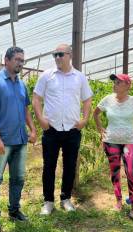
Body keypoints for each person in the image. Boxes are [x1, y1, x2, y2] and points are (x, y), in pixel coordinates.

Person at [32, 44, 93, 215]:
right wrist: (41, 119)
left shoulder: (80, 77)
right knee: (49, 166)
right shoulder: (47, 76)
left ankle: (66, 198)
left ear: (69, 55)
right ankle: (48, 201)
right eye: (55, 55)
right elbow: (36, 98)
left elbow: (87, 100)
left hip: (72, 130)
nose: (57, 58)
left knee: (70, 165)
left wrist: (84, 120)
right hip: (51, 129)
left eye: (60, 54)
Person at [0, 46, 37, 232]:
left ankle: (14, 210)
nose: (20, 63)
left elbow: (25, 109)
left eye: (22, 60)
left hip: (20, 140)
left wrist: (33, 129)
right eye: (17, 60)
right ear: (6, 60)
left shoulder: (21, 85)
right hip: (2, 140)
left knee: (18, 178)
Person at [93, 74, 133, 219]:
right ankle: (118, 201)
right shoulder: (107, 99)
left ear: (128, 85)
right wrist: (100, 129)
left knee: (130, 171)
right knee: (114, 171)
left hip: (130, 141)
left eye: (118, 82)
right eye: (114, 82)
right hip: (111, 141)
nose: (114, 84)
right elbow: (95, 114)